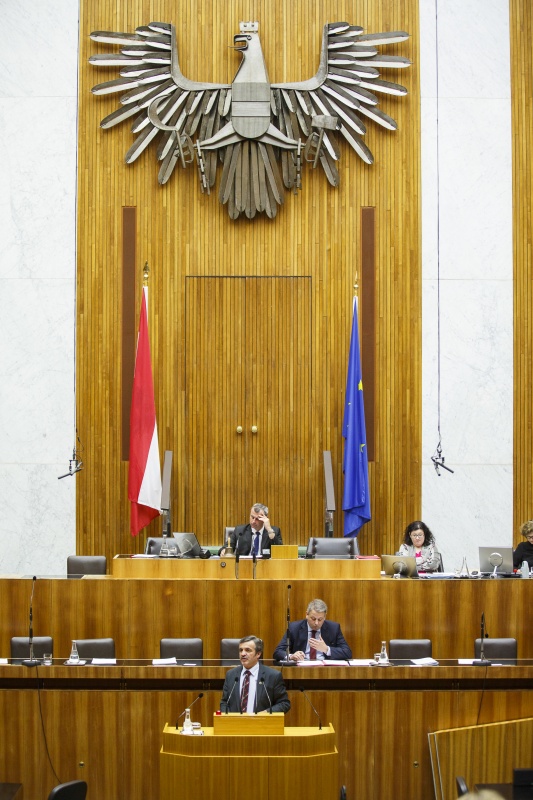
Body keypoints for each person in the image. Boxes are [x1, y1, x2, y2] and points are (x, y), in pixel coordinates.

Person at [220, 635, 290, 714]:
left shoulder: (273, 676)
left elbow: (284, 703)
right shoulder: (231, 675)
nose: (243, 654)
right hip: (235, 721)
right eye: (241, 650)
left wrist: (266, 713)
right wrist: (229, 717)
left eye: (248, 650)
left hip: (262, 721)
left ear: (258, 654)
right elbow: (224, 702)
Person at [273, 598, 353, 662]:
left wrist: (326, 649)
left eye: (320, 619)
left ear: (325, 617)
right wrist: (291, 656)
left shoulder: (333, 628)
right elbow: (278, 652)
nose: (316, 623)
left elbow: (347, 652)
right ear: (307, 614)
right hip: (301, 669)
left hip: (325, 670)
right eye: (313, 619)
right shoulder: (294, 628)